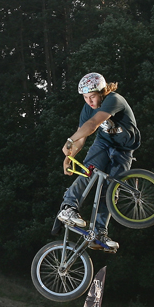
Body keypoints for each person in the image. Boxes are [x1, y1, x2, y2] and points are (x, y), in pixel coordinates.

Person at [56, 73, 141, 253]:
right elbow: (81, 138)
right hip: (103, 144)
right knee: (88, 171)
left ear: (102, 92)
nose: (89, 102)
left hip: (124, 150)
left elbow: (93, 124)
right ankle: (68, 207)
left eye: (92, 97)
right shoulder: (87, 108)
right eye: (85, 97)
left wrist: (69, 140)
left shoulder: (114, 100)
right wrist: (68, 157)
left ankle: (99, 233)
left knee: (111, 190)